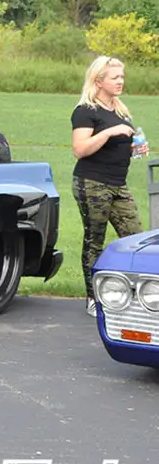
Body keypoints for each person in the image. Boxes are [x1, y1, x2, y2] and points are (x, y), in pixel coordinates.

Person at [71, 55, 148, 317]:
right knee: (95, 239)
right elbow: (80, 149)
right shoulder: (85, 111)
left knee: (137, 239)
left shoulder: (120, 109)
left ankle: (139, 295)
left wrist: (137, 148)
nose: (121, 82)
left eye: (122, 77)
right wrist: (109, 132)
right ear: (98, 80)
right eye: (115, 78)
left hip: (119, 184)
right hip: (92, 183)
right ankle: (94, 297)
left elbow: (124, 144)